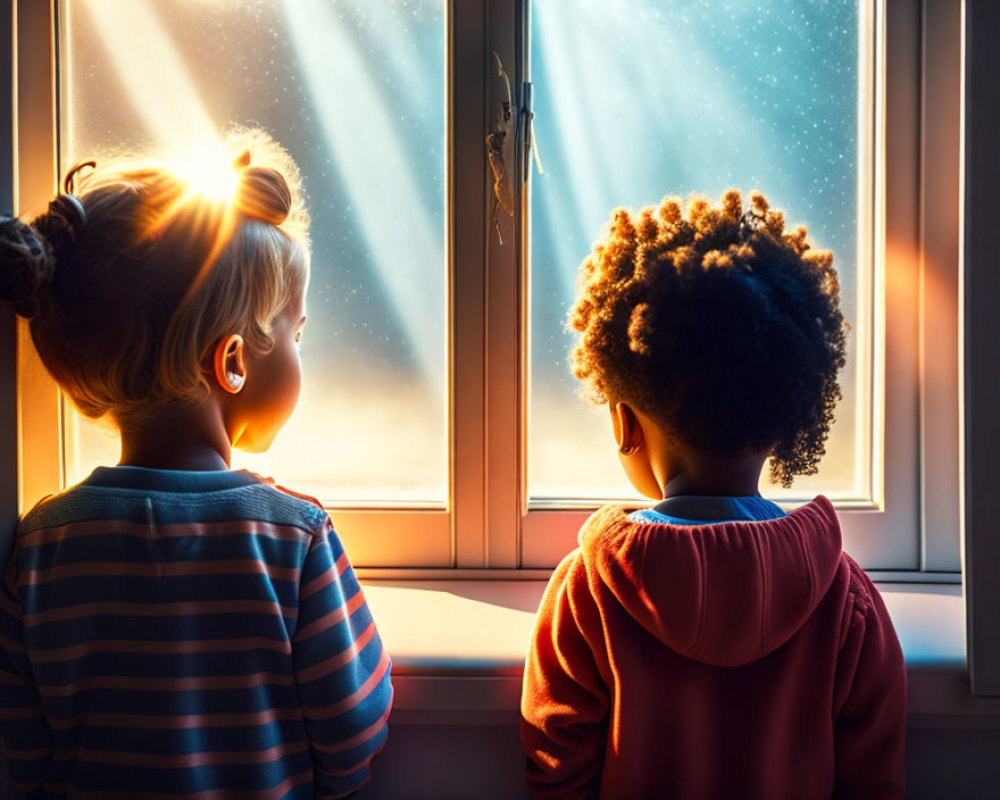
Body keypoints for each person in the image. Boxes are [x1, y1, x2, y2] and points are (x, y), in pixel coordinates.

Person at [0, 129, 391, 798]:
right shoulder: (293, 539)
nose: (300, 352)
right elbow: (353, 725)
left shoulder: (42, 545)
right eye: (295, 332)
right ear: (233, 361)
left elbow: (21, 751)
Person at [520, 190, 906, 799]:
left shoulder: (589, 590)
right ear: (785, 422)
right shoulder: (846, 597)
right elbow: (874, 780)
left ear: (624, 423)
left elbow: (556, 770)